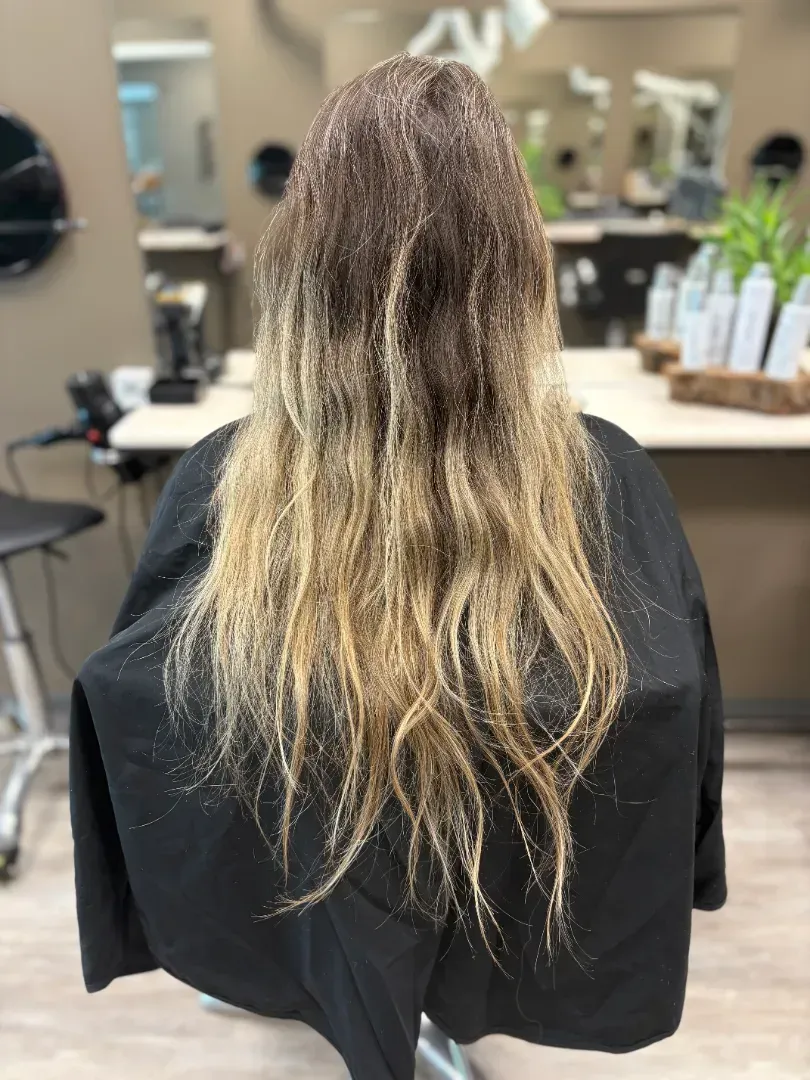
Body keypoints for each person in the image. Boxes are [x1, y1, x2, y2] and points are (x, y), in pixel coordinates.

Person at [70, 54, 726, 1080]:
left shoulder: (221, 472)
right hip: (501, 894)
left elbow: (132, 693)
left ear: (303, 260)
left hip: (317, 891)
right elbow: (674, 695)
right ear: (516, 266)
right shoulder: (611, 469)